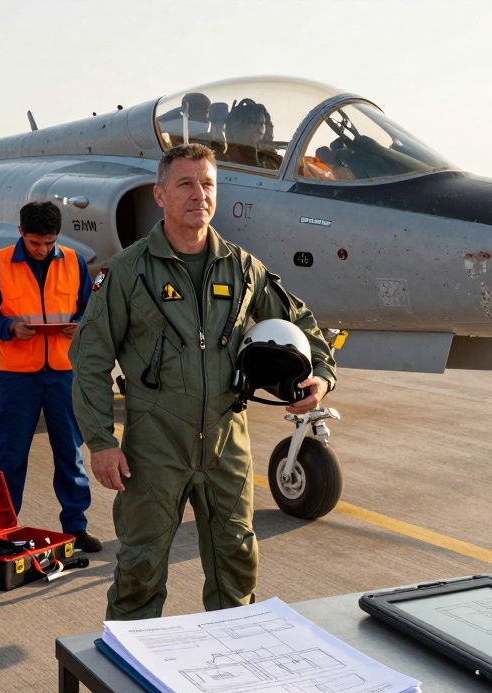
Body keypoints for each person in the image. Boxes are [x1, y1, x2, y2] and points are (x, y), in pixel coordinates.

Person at [71, 143, 336, 622]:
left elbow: (300, 320)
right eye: (186, 184)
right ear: (160, 194)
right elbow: (89, 358)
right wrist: (100, 441)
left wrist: (320, 374)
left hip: (225, 442)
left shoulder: (242, 269)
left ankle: (229, 672)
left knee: (237, 564)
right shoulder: (128, 272)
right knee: (140, 570)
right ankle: (128, 684)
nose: (200, 194)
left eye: (208, 184)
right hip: (153, 446)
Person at [0, 201, 100, 553]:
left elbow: (88, 310)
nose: (43, 250)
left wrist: (80, 327)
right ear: (20, 233)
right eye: (35, 243)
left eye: (49, 242)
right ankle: (2, 528)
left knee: (70, 453)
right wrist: (10, 326)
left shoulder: (75, 262)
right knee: (11, 455)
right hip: (19, 378)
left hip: (63, 374)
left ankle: (76, 527)